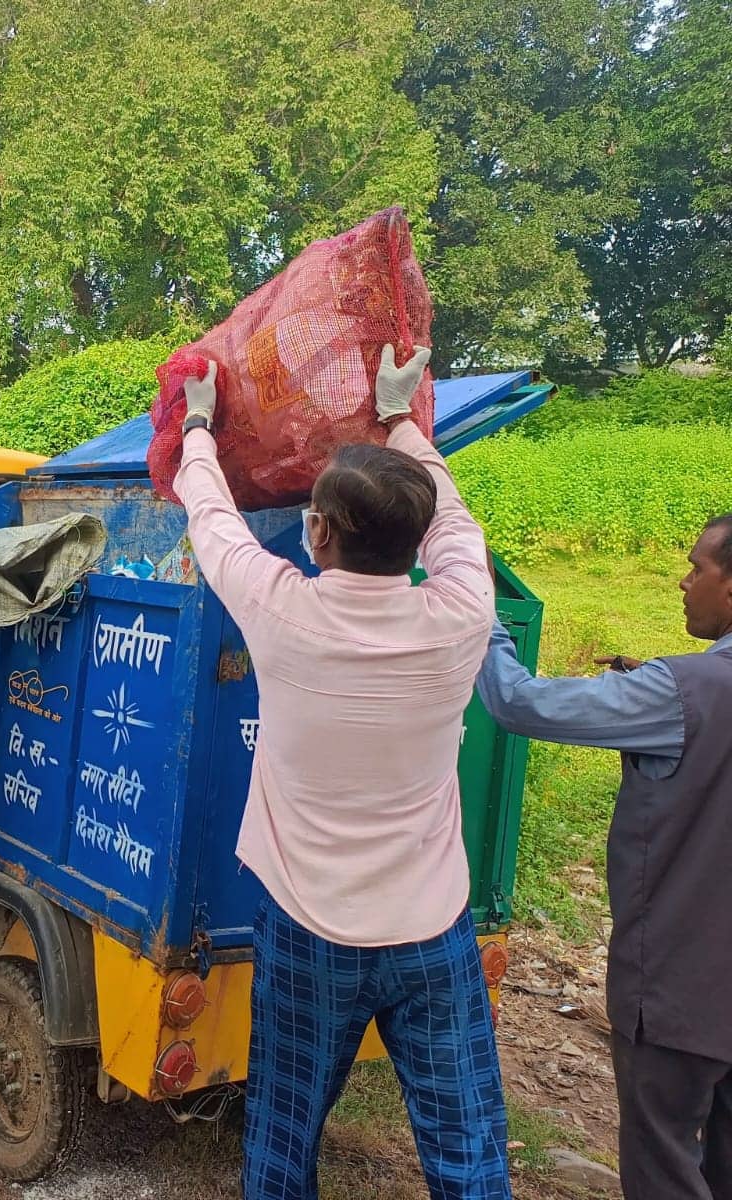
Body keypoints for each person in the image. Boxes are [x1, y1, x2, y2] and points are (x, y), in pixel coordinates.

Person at [175, 347, 509, 1200]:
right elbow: (457, 521)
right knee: (469, 1149)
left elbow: (212, 520)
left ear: (317, 532)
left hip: (310, 929)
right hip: (434, 932)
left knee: (284, 1142)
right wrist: (402, 419)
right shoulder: (462, 615)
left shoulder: (285, 611)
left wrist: (201, 424)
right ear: (414, 542)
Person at [475, 514, 732, 1200]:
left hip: (680, 994)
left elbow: (516, 701)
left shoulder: (684, 693)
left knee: (663, 1169)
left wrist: (481, 613)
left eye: (697, 567)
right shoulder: (680, 690)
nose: (683, 581)